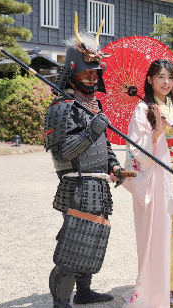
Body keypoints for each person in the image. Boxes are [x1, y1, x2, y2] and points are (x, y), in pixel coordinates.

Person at [44, 19, 124, 308]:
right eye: (87, 74)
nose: (92, 79)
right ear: (74, 73)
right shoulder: (61, 107)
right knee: (73, 245)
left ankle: (85, 292)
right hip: (75, 183)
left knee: (93, 240)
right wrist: (92, 130)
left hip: (99, 184)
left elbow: (106, 147)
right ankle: (61, 303)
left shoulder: (95, 106)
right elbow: (64, 153)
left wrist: (114, 167)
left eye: (95, 73)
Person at [122, 59, 173, 308]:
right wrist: (156, 133)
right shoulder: (142, 109)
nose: (166, 82)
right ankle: (157, 286)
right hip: (158, 177)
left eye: (169, 78)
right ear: (149, 80)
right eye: (160, 77)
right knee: (160, 228)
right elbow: (136, 150)